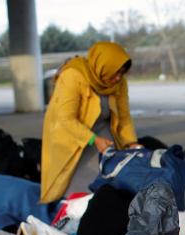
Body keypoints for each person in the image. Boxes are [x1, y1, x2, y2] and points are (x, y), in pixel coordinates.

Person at [40, 41, 140, 203]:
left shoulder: (119, 84)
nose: (118, 78)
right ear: (102, 66)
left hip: (102, 135)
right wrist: (93, 139)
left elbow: (124, 117)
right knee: (73, 188)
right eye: (115, 73)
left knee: (108, 183)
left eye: (122, 73)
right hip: (71, 136)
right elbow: (65, 118)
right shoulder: (73, 75)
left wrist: (132, 143)